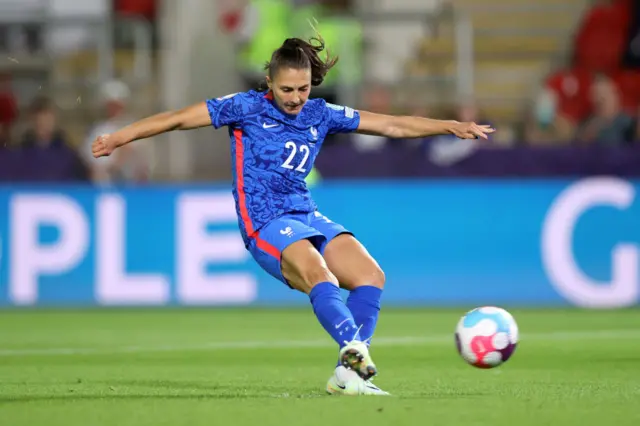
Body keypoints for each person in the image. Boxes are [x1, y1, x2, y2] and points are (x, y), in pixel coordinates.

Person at [91, 35, 494, 396]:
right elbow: (176, 119)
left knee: (371, 276)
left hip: (305, 212)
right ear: (269, 82)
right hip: (265, 222)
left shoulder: (320, 113)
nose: (296, 97)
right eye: (287, 89)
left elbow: (390, 125)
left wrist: (448, 126)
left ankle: (347, 374)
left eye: (303, 88)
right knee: (322, 275)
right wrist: (119, 137)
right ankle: (355, 349)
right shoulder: (243, 108)